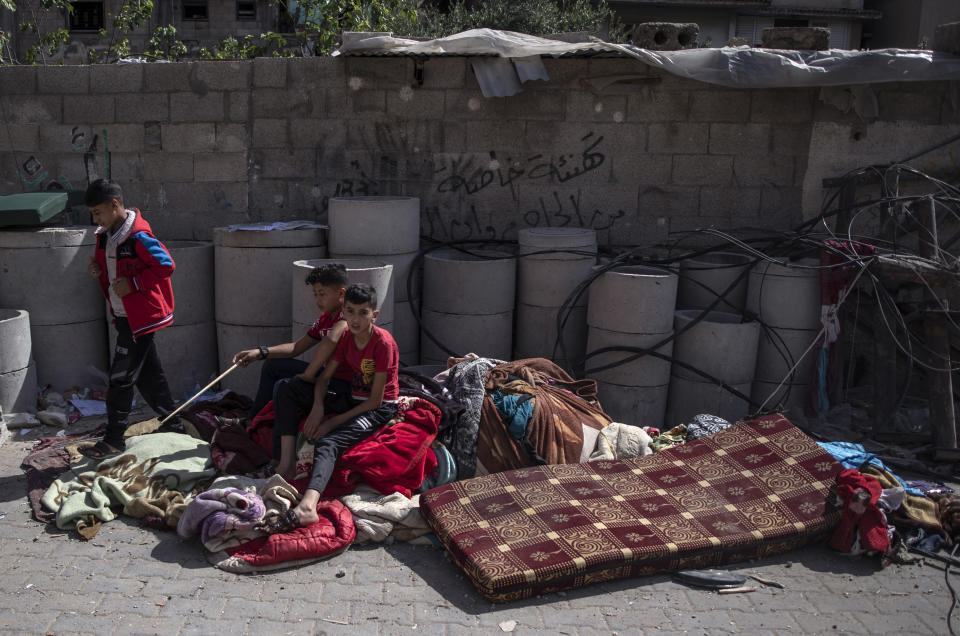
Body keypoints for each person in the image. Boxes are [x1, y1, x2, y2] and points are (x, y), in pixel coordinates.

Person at [267, 283, 399, 531]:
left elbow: (375, 401)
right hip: (351, 396)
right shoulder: (347, 337)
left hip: (377, 408)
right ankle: (285, 464)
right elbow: (324, 378)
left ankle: (308, 506)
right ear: (344, 313)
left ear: (375, 315)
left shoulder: (383, 344)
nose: (356, 319)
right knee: (288, 387)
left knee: (329, 442)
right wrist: (318, 406)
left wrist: (330, 422)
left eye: (363, 312)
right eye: (350, 311)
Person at [81, 178, 180, 460]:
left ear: (115, 205)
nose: (94, 218)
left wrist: (135, 284)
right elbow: (111, 264)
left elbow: (166, 265)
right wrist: (97, 270)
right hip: (124, 316)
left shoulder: (138, 236)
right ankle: (173, 423)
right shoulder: (106, 234)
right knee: (150, 377)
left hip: (142, 319)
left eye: (98, 212)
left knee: (121, 378)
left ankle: (114, 440)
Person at [231, 263, 349, 480]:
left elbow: (332, 340)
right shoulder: (326, 317)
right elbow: (296, 347)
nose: (317, 300)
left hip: (344, 384)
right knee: (273, 366)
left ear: (341, 293)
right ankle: (253, 422)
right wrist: (261, 352)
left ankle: (280, 462)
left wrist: (307, 376)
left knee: (284, 387)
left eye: (322, 294)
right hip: (326, 376)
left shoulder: (349, 315)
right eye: (315, 294)